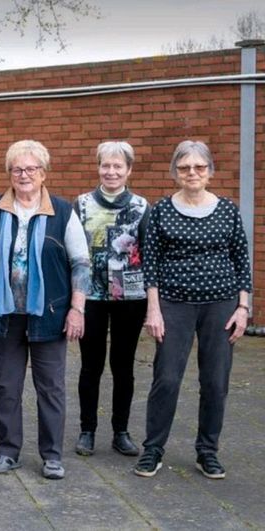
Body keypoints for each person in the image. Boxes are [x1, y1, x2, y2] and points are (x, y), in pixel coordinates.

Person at [0, 140, 90, 480]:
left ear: (43, 173)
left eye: (31, 169)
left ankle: (51, 455)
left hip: (49, 315)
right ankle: (7, 451)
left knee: (51, 387)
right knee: (6, 385)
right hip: (4, 315)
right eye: (17, 169)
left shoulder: (62, 212)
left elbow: (80, 264)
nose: (24, 175)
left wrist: (76, 309)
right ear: (9, 173)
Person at [134, 140, 251, 480]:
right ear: (175, 172)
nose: (192, 173)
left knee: (215, 381)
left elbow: (241, 261)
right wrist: (153, 311)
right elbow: (151, 265)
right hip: (174, 303)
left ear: (210, 171)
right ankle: (153, 449)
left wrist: (243, 307)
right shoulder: (161, 211)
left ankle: (207, 452)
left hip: (222, 305)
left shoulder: (228, 210)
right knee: (166, 378)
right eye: (185, 168)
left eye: (199, 167)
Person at [73, 141, 149, 457]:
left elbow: (149, 254)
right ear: (98, 167)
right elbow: (73, 253)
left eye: (118, 166)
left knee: (123, 365)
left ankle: (121, 431)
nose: (111, 171)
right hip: (90, 295)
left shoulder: (143, 207)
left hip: (130, 298)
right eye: (106, 165)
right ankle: (87, 430)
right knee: (90, 366)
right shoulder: (80, 205)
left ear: (129, 170)